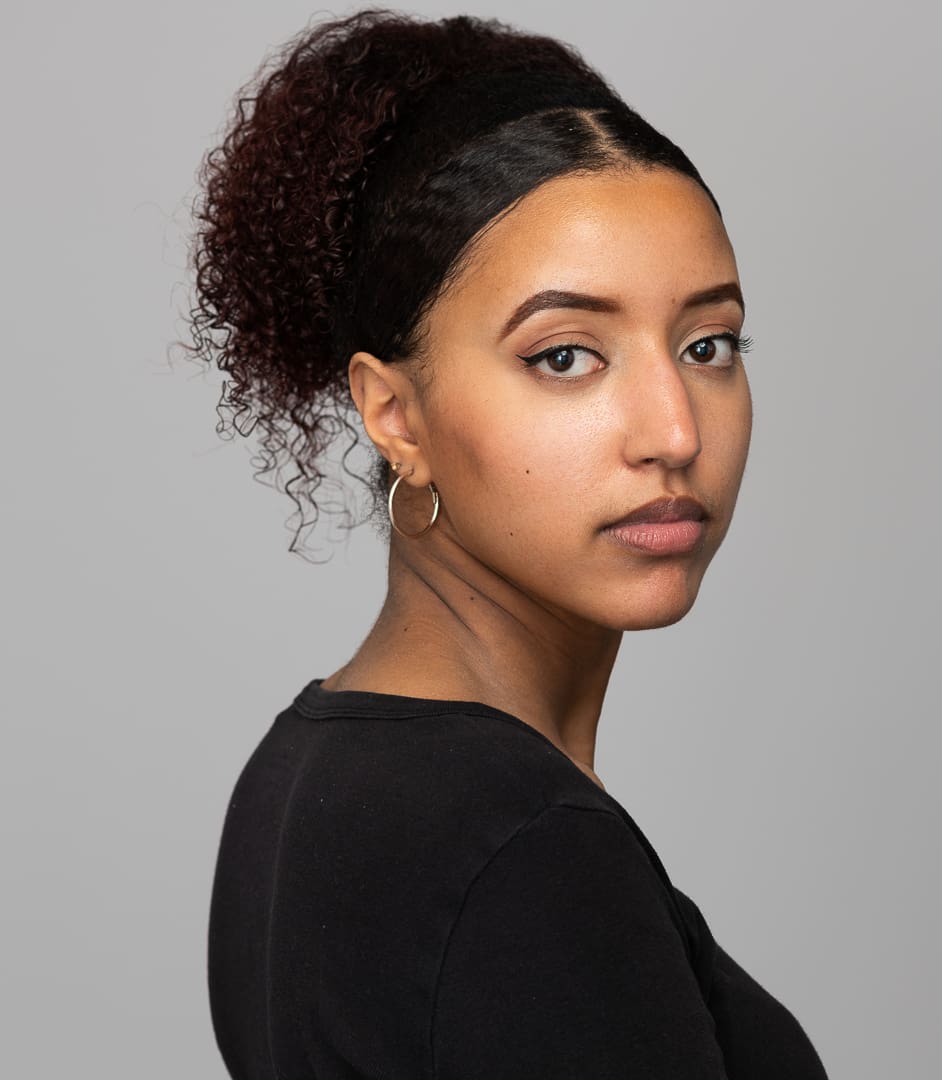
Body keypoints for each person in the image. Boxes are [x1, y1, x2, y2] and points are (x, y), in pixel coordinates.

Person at [191, 8, 830, 1078]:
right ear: (395, 415)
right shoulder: (522, 850)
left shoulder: (304, 777)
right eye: (567, 356)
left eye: (708, 343)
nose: (676, 432)